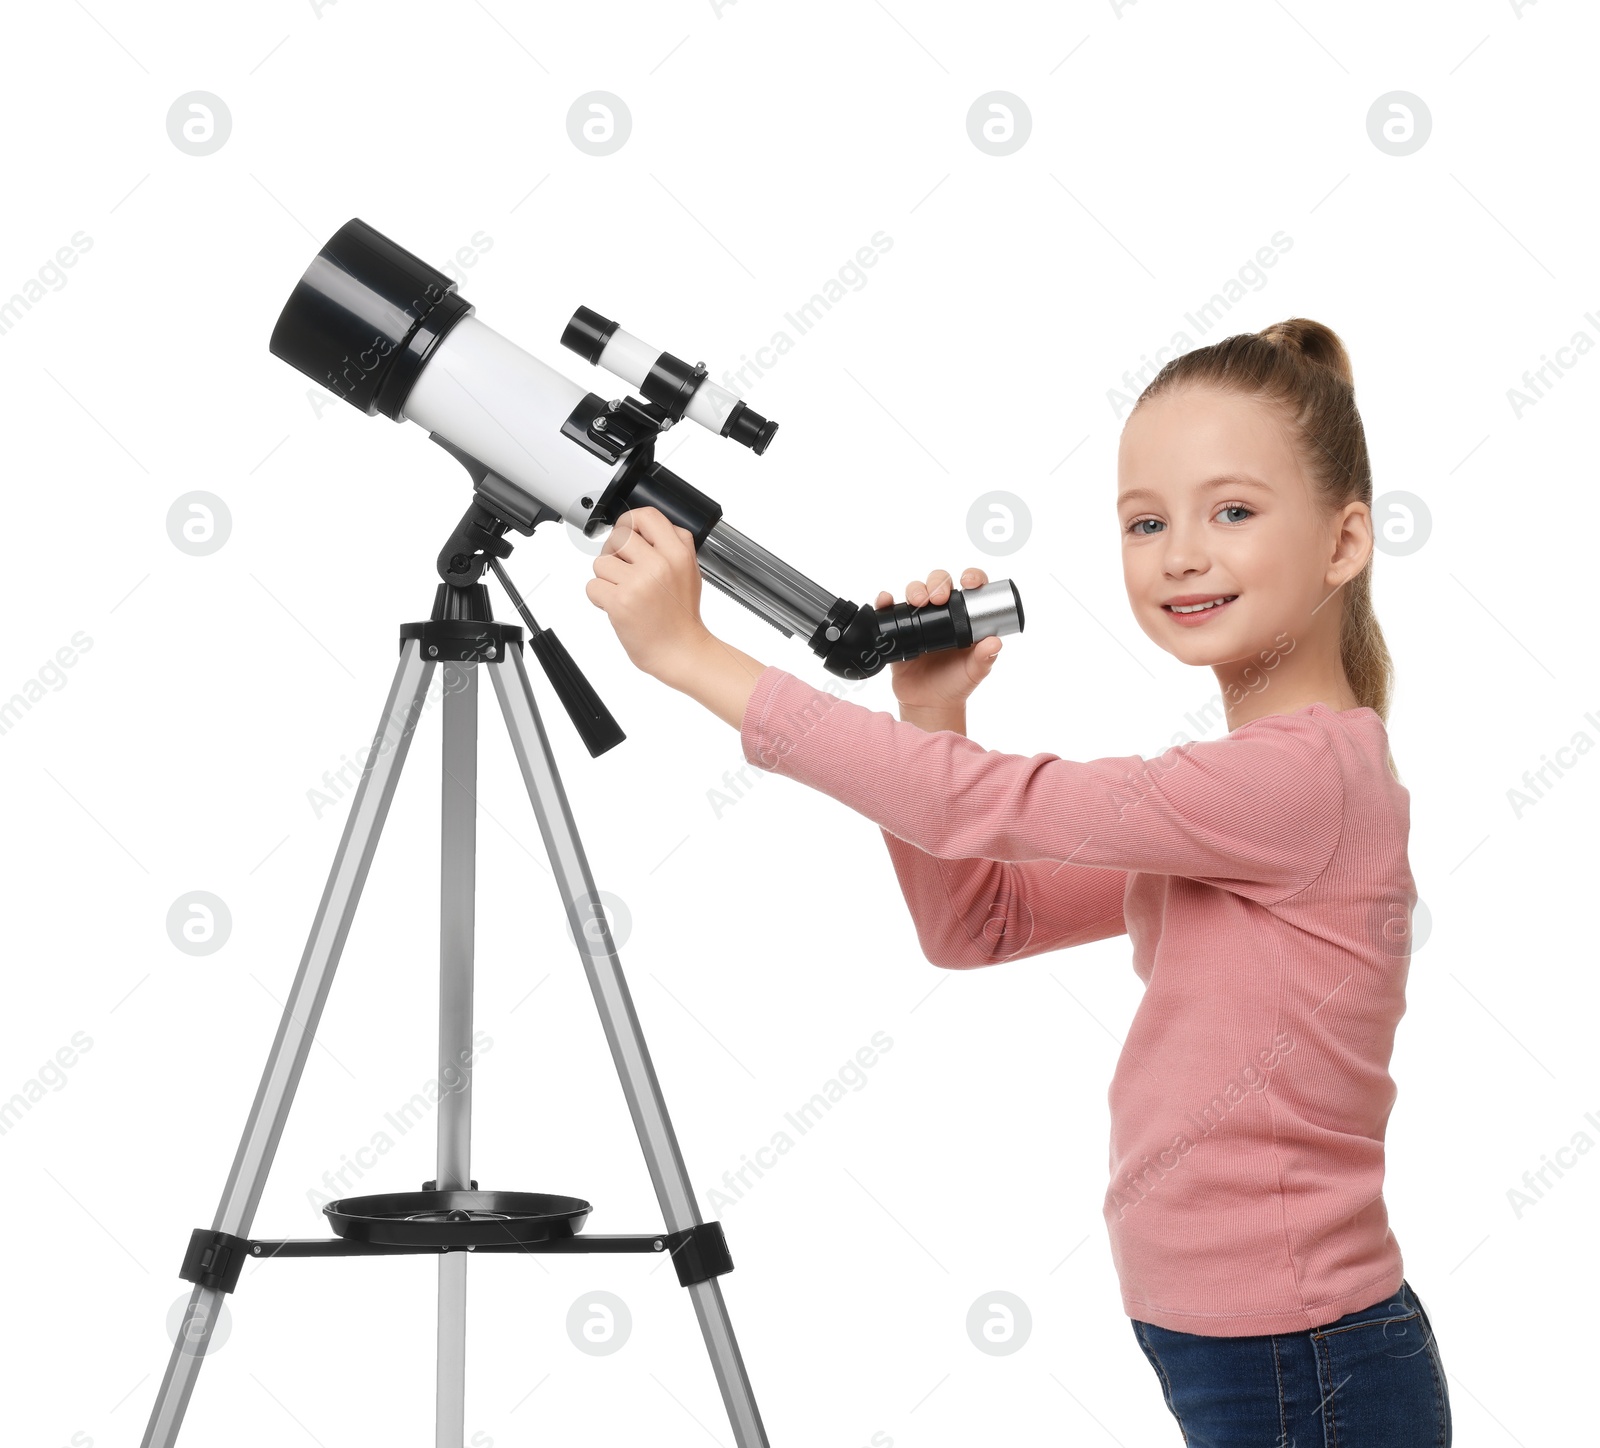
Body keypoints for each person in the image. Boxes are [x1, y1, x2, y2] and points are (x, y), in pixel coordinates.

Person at [584, 319, 1452, 1446]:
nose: (1180, 552)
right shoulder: (1243, 800)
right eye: (1147, 522)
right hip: (1243, 1344)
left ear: (1343, 543)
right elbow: (977, 922)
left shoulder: (1296, 780)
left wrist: (691, 656)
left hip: (1303, 1359)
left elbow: (982, 802)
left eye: (1231, 511)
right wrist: (931, 711)